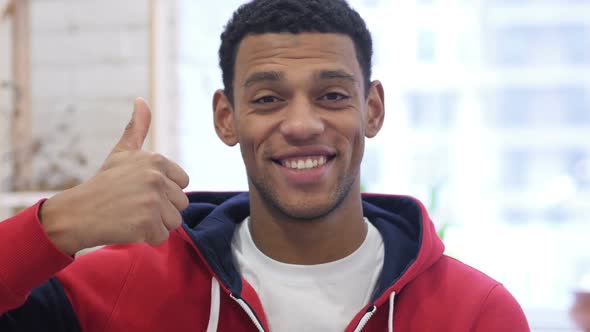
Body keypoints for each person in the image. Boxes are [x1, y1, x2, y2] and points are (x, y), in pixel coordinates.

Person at [0, 0, 530, 331]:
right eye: (269, 99)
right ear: (226, 118)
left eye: (331, 96)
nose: (302, 124)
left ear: (372, 109)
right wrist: (57, 224)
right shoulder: (119, 287)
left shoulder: (476, 313)